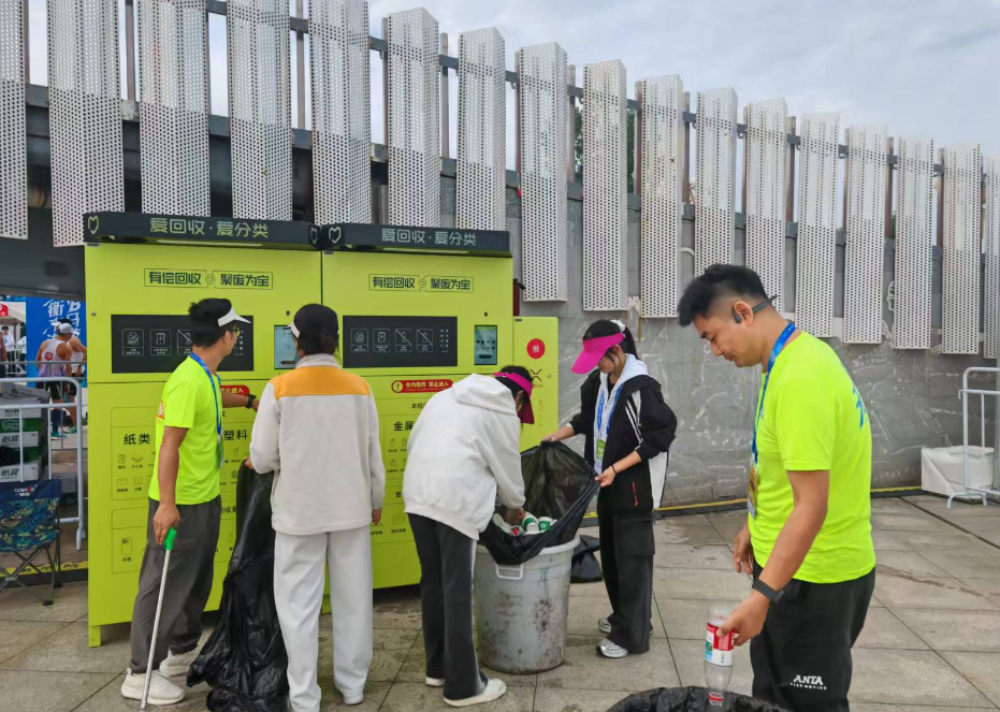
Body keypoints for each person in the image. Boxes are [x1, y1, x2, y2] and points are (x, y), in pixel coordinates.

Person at [677, 265, 875, 712]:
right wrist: (756, 523)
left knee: (799, 703)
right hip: (794, 572)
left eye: (713, 337)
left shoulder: (800, 378)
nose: (714, 351)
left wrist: (762, 595)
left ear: (743, 312)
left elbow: (811, 506)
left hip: (812, 580)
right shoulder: (789, 360)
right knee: (773, 695)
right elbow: (783, 468)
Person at [122, 298, 260, 705]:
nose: (237, 336)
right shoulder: (188, 380)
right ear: (226, 336)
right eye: (235, 330)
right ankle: (140, 673)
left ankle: (179, 655)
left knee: (195, 580)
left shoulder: (205, 375)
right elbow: (170, 444)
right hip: (180, 503)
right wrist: (167, 504)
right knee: (163, 584)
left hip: (204, 496)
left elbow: (215, 400)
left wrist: (251, 401)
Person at [248, 304, 385, 709]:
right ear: (336, 340)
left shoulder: (279, 388)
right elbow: (372, 452)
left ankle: (305, 697)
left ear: (296, 341)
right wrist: (375, 498)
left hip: (298, 513)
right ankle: (353, 686)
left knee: (297, 607)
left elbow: (262, 457)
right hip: (351, 510)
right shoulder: (359, 387)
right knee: (354, 600)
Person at [544, 320, 676, 659]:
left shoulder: (641, 389)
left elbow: (659, 438)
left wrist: (617, 468)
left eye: (601, 359)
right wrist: (558, 435)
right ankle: (626, 618)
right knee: (615, 559)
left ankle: (633, 636)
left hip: (632, 486)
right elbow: (588, 419)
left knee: (633, 560)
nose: (598, 366)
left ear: (617, 351)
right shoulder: (599, 383)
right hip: (605, 482)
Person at [403, 367, 531, 707]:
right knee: (457, 589)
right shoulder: (502, 407)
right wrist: (515, 505)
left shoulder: (446, 395)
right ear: (519, 397)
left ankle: (437, 669)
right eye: (522, 408)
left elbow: (414, 441)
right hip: (455, 499)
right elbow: (508, 464)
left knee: (433, 582)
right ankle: (463, 687)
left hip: (418, 492)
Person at [36, 323, 74, 436]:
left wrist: (43, 371)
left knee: (41, 405)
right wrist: (68, 383)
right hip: (55, 379)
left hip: (41, 378)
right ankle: (55, 431)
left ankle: (40, 431)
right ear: (68, 334)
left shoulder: (45, 343)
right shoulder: (66, 348)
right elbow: (68, 368)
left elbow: (37, 361)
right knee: (57, 404)